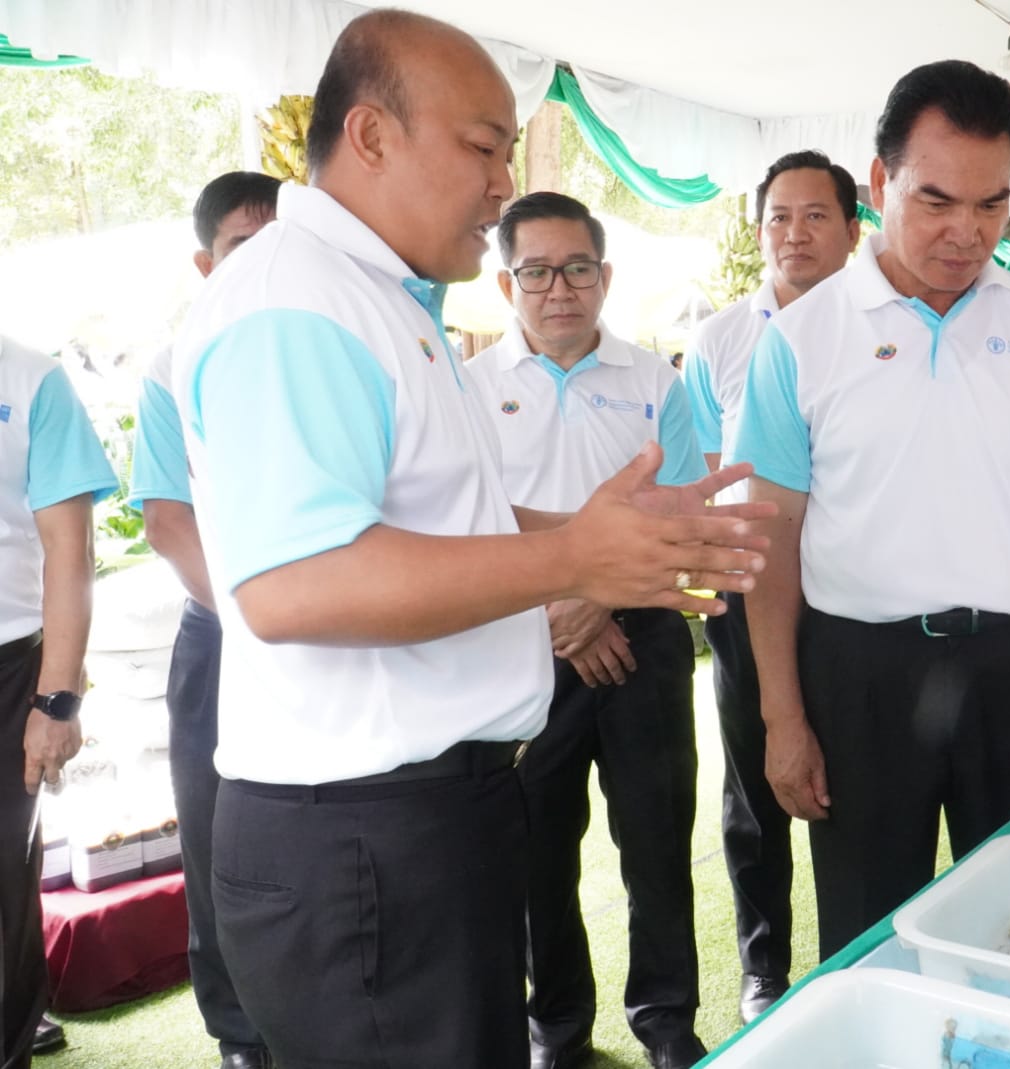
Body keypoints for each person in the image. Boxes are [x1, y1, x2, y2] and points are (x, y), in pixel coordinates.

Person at [167, 11, 772, 1067]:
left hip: (425, 817)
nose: (502, 187)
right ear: (371, 136)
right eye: (484, 148)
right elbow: (296, 585)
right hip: (363, 837)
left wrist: (604, 529)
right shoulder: (295, 306)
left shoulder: (379, 299)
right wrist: (572, 559)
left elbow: (439, 518)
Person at [731, 60, 1010, 959]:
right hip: (862, 674)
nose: (967, 232)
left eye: (992, 204)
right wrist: (784, 717)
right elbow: (772, 539)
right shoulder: (801, 340)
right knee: (868, 931)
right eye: (936, 200)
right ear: (881, 183)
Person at [465, 192, 709, 1069]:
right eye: (536, 271)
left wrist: (596, 598)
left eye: (576, 269)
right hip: (525, 642)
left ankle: (667, 1020)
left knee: (656, 838)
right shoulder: (468, 389)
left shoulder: (655, 381)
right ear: (506, 284)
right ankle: (557, 1025)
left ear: (604, 276)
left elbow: (685, 517)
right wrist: (561, 609)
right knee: (537, 848)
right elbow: (465, 526)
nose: (558, 288)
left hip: (643, 633)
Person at [682, 149, 859, 1021]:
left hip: (850, 600)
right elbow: (705, 476)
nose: (795, 233)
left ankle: (852, 957)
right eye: (778, 217)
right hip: (749, 595)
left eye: (815, 215)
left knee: (852, 782)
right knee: (756, 785)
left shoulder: (874, 329)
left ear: (852, 229)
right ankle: (764, 965)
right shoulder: (718, 341)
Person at [128, 169, 280, 1069]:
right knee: (216, 835)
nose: (264, 262)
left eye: (279, 243)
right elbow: (167, 521)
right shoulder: (170, 365)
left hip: (337, 632)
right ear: (204, 262)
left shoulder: (329, 337)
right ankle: (240, 1034)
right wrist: (262, 622)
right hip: (227, 637)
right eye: (241, 247)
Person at [0, 334, 117, 1067]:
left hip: (9, 665)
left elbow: (70, 549)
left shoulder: (32, 382)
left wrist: (58, 700)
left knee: (4, 883)